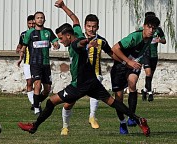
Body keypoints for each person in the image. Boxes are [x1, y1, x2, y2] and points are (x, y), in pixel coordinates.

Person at [18, 22, 150, 137]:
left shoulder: (75, 43)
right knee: (113, 102)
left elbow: (80, 43)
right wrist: (64, 7)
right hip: (92, 82)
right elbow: (75, 20)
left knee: (51, 102)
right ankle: (139, 120)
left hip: (79, 86)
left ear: (68, 36)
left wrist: (87, 42)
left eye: (61, 38)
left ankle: (34, 127)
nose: (61, 41)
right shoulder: (76, 33)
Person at [54, 0, 113, 136]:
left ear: (97, 27)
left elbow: (111, 53)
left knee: (95, 87)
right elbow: (74, 18)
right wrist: (63, 7)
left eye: (94, 27)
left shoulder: (100, 40)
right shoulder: (78, 36)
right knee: (69, 104)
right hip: (78, 78)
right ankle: (65, 126)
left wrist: (123, 61)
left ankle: (92, 116)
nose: (91, 29)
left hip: (94, 73)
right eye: (89, 26)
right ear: (85, 27)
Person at [111, 15, 160, 134]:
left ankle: (131, 117)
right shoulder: (134, 37)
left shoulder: (149, 39)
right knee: (119, 98)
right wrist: (128, 62)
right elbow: (114, 48)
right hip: (120, 66)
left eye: (154, 28)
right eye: (149, 27)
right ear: (143, 26)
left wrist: (137, 62)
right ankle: (122, 123)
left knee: (132, 83)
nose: (151, 30)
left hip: (132, 65)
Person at [17, 11, 60, 115]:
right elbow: (24, 47)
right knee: (37, 84)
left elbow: (55, 41)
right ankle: (36, 108)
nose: (40, 19)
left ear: (44, 20)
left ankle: (36, 102)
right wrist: (20, 58)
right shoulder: (29, 33)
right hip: (35, 63)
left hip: (45, 64)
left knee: (47, 89)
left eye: (42, 18)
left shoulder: (48, 32)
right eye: (38, 18)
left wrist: (56, 45)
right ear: (35, 20)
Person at [141, 12, 166, 102]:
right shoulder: (142, 30)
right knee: (148, 73)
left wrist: (160, 40)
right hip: (145, 54)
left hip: (154, 55)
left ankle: (144, 90)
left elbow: (164, 40)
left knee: (150, 75)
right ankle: (150, 93)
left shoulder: (158, 30)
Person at [16, 15, 35, 110]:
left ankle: (36, 101)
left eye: (33, 23)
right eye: (29, 23)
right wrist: (18, 48)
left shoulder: (40, 33)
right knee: (29, 82)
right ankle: (33, 103)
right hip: (27, 62)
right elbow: (21, 45)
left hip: (38, 63)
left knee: (39, 83)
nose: (31, 25)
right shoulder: (23, 34)